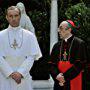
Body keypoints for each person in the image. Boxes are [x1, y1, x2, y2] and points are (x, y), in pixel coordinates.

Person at [0, 6, 42, 90]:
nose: (14, 18)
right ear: (7, 17)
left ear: (20, 16)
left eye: (16, 15)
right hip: (5, 77)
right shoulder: (0, 35)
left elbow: (32, 56)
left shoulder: (30, 35)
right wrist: (10, 73)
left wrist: (20, 73)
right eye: (11, 16)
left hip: (24, 77)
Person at [49, 20, 87, 90]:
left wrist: (64, 77)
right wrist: (57, 75)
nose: (58, 31)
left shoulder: (79, 43)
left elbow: (80, 64)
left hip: (73, 78)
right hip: (59, 81)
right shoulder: (56, 45)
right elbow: (51, 64)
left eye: (60, 28)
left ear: (69, 30)